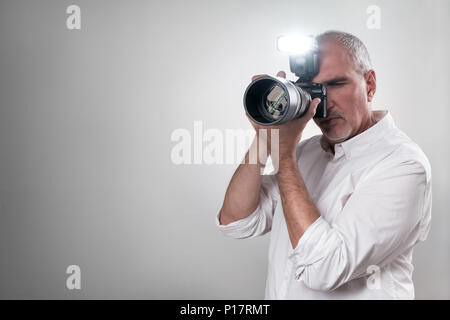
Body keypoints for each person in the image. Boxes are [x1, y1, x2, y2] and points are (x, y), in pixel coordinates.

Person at [216, 30, 432, 299]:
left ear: (370, 85)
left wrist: (283, 156)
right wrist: (266, 131)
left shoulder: (403, 165)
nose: (323, 103)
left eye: (336, 84)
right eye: (312, 90)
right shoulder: (305, 154)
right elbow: (237, 220)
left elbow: (324, 269)